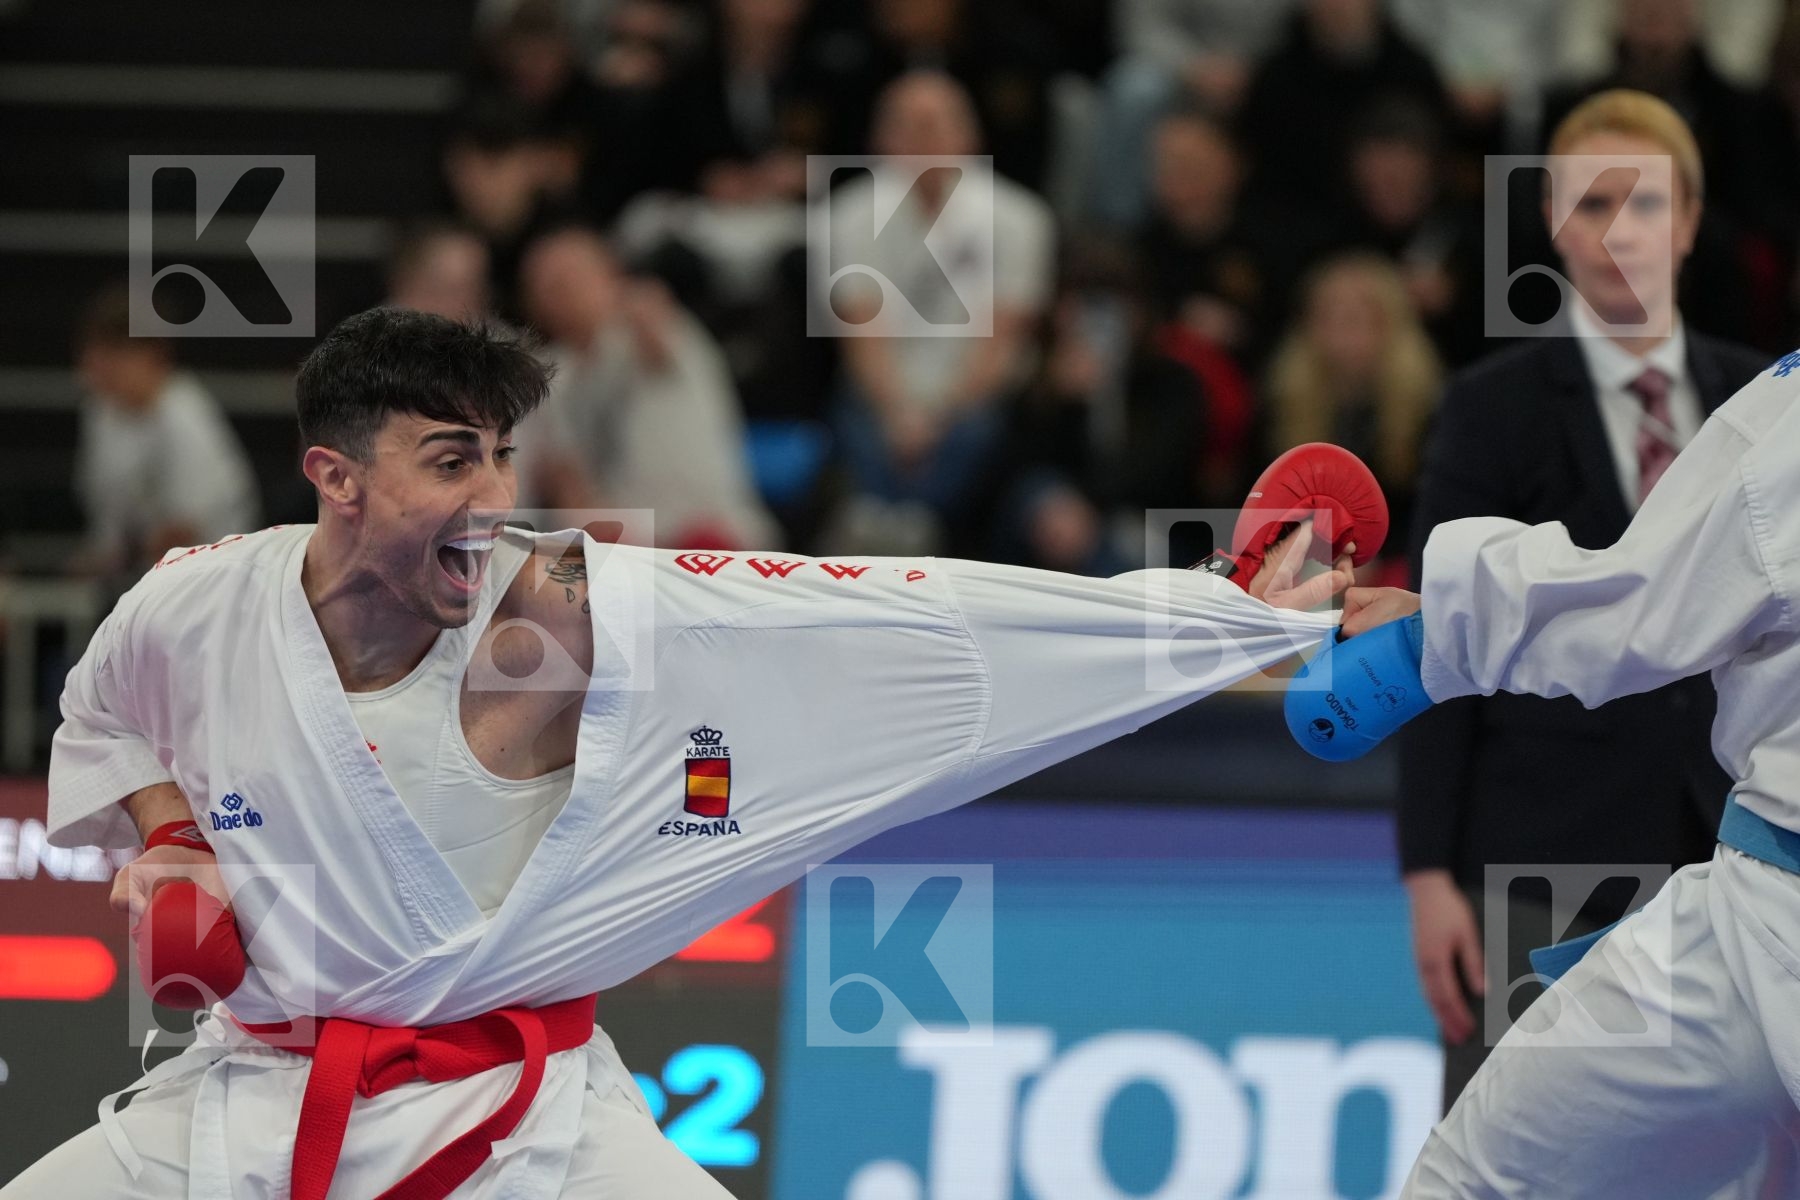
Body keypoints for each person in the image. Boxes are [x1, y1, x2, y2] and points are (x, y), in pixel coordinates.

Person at [1, 308, 1363, 1197]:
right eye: (450, 462)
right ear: (334, 478)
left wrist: (1228, 616)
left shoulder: (557, 615)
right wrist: (174, 837)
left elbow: (913, 622)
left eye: (505, 460)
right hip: (251, 1098)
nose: (494, 503)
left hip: (522, 1124)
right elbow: (104, 717)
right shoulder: (197, 602)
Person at [1395, 87, 1769, 1112]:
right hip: (1536, 851)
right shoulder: (1491, 407)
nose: (1618, 233)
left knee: (1727, 1161)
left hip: (1732, 852)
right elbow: (1442, 633)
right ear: (1555, 226)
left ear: (1688, 221)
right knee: (1515, 1147)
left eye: (1643, 204)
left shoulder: (1762, 406)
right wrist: (1429, 871)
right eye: (1589, 206)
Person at [514, 224, 780, 550]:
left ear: (610, 274)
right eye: (546, 283)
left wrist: (636, 304)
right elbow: (567, 482)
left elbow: (654, 333)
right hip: (629, 542)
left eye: (572, 274)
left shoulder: (652, 325)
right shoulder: (550, 374)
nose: (562, 289)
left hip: (711, 533)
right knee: (557, 548)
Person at [71, 284, 260, 585]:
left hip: (209, 580)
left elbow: (184, 533)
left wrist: (126, 554)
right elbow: (105, 518)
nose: (97, 366)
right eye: (95, 352)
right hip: (137, 578)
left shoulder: (185, 415)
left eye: (113, 354)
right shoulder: (101, 415)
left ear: (152, 355)